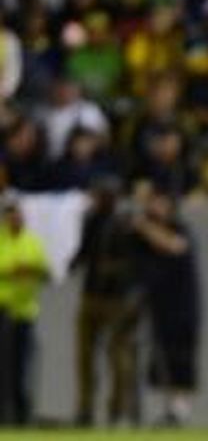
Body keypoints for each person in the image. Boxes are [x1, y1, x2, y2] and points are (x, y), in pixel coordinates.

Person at [69, 178, 141, 427]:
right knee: (84, 356)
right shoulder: (92, 220)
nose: (99, 200)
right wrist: (72, 262)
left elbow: (133, 263)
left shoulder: (125, 223)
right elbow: (85, 251)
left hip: (116, 299)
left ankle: (117, 410)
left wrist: (112, 269)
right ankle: (85, 408)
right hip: (91, 295)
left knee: (118, 357)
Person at [131, 185, 201, 426]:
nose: (154, 206)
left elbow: (174, 246)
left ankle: (180, 410)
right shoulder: (141, 238)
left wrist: (144, 227)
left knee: (181, 357)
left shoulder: (179, 228)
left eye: (159, 201)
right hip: (158, 306)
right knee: (161, 360)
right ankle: (168, 410)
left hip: (182, 306)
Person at [0, 195, 49, 425]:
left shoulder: (33, 241)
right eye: (10, 213)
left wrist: (30, 271)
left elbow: (44, 272)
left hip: (25, 311)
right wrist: (12, 271)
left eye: (17, 213)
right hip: (2, 310)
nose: (14, 217)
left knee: (21, 366)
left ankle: (20, 417)